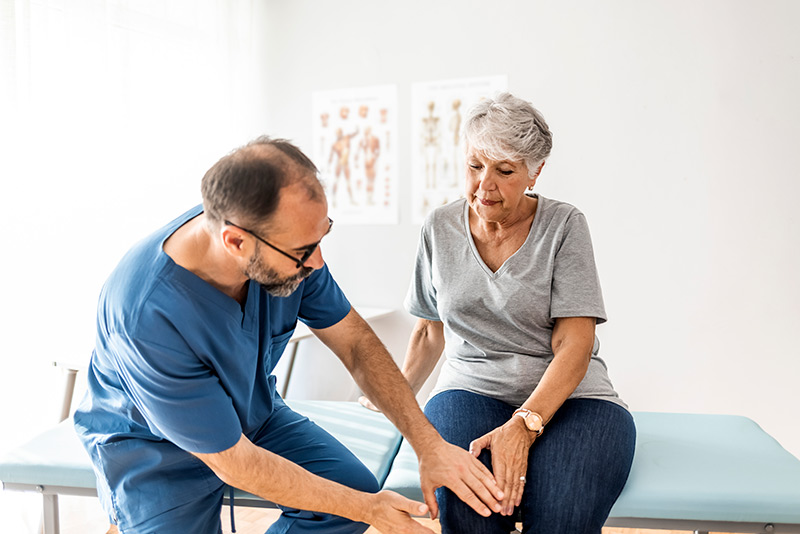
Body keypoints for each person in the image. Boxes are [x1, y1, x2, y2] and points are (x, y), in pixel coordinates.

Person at [73, 137, 505, 534]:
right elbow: (235, 462)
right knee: (357, 502)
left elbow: (354, 342)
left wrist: (428, 445)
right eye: (303, 251)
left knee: (350, 490)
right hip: (154, 451)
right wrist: (369, 510)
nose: (317, 262)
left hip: (252, 415)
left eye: (322, 236)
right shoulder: (147, 312)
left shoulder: (286, 246)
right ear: (236, 242)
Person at [362, 93, 636, 533]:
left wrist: (524, 426)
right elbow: (429, 333)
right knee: (473, 516)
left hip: (573, 400)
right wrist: (395, 398)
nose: (484, 185)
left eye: (504, 171)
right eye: (474, 166)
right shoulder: (439, 227)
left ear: (535, 172)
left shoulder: (564, 226)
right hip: (469, 391)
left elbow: (574, 342)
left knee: (560, 518)